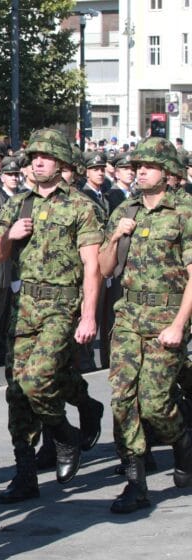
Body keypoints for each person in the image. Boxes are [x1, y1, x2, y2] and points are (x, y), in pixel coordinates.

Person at [0, 128, 104, 504]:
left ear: (61, 164)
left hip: (61, 305)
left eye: (46, 157)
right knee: (17, 392)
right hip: (24, 308)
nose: (37, 162)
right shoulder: (18, 204)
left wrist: (89, 316)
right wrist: (10, 234)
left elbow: (92, 267)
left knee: (38, 379)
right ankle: (25, 474)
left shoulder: (79, 205)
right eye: (33, 157)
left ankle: (63, 434)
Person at [97, 136, 192, 514]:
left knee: (155, 404)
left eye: (148, 166)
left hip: (166, 319)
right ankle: (135, 483)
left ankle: (183, 442)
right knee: (122, 400)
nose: (140, 171)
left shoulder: (184, 211)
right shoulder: (127, 210)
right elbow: (105, 269)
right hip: (128, 317)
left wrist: (179, 325)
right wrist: (117, 235)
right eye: (136, 167)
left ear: (169, 174)